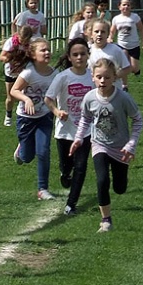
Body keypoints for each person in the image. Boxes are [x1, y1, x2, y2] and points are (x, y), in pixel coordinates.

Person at [70, 57, 143, 233]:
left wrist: (131, 144)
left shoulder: (123, 98)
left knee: (119, 188)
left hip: (121, 148)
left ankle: (121, 181)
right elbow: (85, 118)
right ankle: (106, 220)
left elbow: (137, 120)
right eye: (99, 77)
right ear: (93, 77)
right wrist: (79, 138)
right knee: (102, 180)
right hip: (99, 144)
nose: (103, 81)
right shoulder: (89, 98)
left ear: (115, 78)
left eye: (107, 77)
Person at [46, 37, 95, 216]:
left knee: (81, 166)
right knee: (67, 166)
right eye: (75, 54)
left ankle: (71, 204)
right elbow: (48, 99)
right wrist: (57, 111)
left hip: (86, 130)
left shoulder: (93, 76)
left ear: (88, 55)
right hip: (65, 131)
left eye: (82, 54)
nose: (79, 57)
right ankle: (65, 173)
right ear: (69, 57)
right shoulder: (63, 77)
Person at [10, 38, 57, 201]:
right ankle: (21, 151)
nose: (47, 52)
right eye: (43, 50)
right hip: (26, 119)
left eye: (48, 49)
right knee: (27, 157)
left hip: (44, 117)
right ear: (33, 54)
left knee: (43, 151)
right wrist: (26, 99)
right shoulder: (28, 73)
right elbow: (14, 91)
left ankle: (42, 189)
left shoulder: (55, 74)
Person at [0, 23, 33, 127]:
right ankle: (8, 115)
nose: (23, 42)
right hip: (11, 71)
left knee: (25, 94)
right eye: (22, 40)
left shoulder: (31, 44)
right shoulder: (11, 42)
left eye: (26, 41)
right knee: (10, 97)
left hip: (24, 72)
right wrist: (11, 59)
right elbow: (1, 57)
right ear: (18, 35)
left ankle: (26, 116)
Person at [88, 19, 131, 90]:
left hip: (114, 89)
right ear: (91, 34)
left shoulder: (115, 50)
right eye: (96, 31)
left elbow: (127, 68)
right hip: (93, 90)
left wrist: (114, 77)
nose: (99, 34)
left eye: (103, 32)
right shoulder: (87, 50)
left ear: (108, 34)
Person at [109, 0, 143, 76]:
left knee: (134, 68)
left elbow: (141, 29)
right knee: (123, 65)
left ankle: (136, 70)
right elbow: (112, 31)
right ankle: (123, 80)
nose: (126, 7)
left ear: (131, 7)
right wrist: (110, 38)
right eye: (124, 5)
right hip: (121, 45)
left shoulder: (135, 17)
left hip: (134, 45)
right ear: (119, 7)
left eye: (128, 5)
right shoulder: (116, 19)